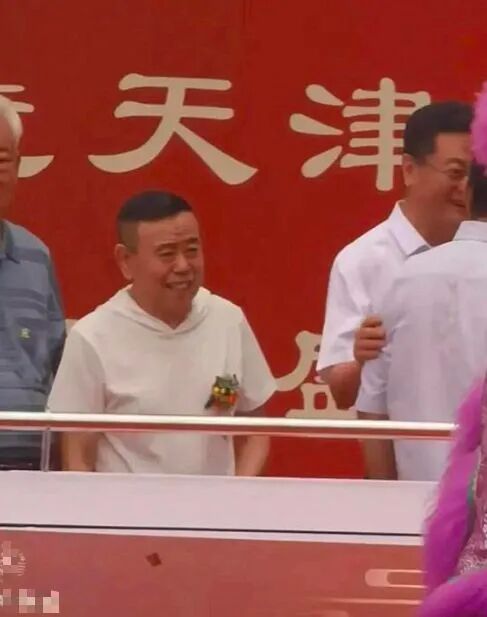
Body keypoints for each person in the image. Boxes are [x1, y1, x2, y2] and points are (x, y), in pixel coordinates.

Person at [47, 191, 276, 476]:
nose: (183, 266)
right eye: (167, 254)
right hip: (127, 504)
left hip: (214, 503)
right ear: (125, 261)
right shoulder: (92, 337)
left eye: (192, 250)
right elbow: (77, 455)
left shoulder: (228, 320)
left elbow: (256, 430)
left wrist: (236, 493)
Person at [317, 101, 473, 411]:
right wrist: (361, 360)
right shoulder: (362, 261)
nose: (466, 187)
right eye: (456, 172)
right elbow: (342, 394)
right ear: (409, 170)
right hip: (403, 439)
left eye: (477, 175)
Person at [356, 160, 487, 480]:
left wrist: (387, 499)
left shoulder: (404, 277)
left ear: (467, 192)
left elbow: (373, 410)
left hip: (417, 498)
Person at [0, 95, 65, 469]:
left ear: (18, 166)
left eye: (1, 160)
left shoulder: (36, 256)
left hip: (32, 473)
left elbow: (58, 367)